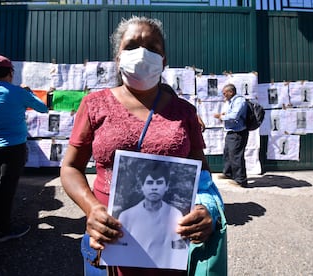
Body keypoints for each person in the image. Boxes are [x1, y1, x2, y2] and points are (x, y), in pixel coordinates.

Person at [61, 16, 222, 275]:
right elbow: (70, 167)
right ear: (117, 57)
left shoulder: (185, 112)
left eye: (152, 48)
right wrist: (91, 209)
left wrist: (208, 209)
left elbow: (202, 173)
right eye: (132, 45)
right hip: (108, 242)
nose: (142, 54)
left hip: (168, 248)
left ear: (164, 60)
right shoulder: (94, 104)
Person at [0, 54, 48, 242]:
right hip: (14, 148)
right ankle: (1, 230)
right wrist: (29, 92)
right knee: (6, 188)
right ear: (10, 72)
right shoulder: (18, 92)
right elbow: (43, 109)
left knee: (2, 184)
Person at [118, 162, 186, 268]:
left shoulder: (175, 214)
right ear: (142, 186)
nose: (154, 187)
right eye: (150, 182)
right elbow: (120, 250)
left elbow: (179, 251)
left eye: (159, 183)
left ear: (166, 186)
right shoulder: (127, 216)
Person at [214, 83, 249, 187]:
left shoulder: (240, 101)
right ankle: (228, 173)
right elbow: (231, 113)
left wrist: (221, 116)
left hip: (238, 133)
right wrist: (225, 115)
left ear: (231, 92)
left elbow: (234, 116)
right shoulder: (231, 101)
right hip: (231, 131)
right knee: (228, 153)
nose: (224, 95)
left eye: (225, 93)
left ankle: (240, 180)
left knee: (236, 156)